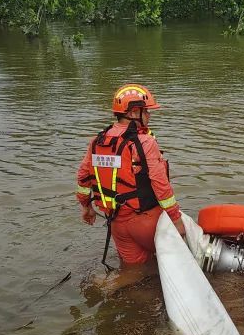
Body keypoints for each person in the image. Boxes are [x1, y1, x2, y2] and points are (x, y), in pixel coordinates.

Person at [76, 83, 186, 266]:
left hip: (117, 224)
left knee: (133, 271)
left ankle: (108, 285)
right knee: (184, 257)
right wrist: (176, 219)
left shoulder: (97, 141)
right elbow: (160, 184)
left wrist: (86, 207)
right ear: (134, 113)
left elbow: (83, 177)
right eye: (147, 111)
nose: (149, 115)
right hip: (146, 221)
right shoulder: (145, 141)